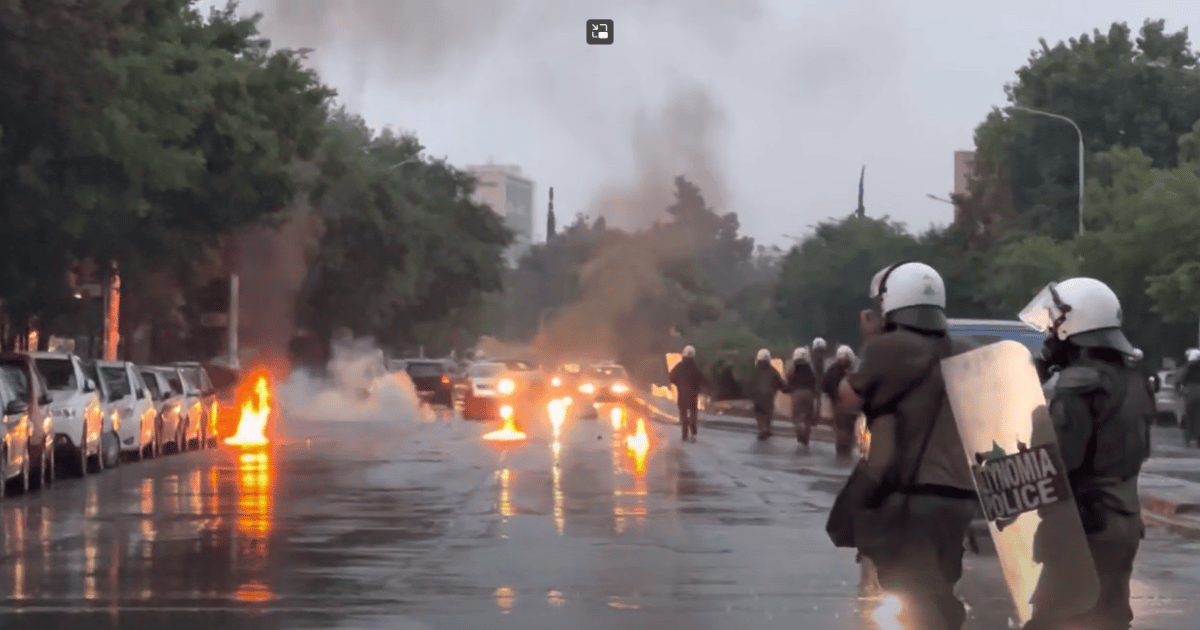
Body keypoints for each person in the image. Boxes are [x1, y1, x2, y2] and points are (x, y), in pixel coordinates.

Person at [833, 261, 979, 630]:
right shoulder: (966, 350)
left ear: (890, 303)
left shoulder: (889, 348)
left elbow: (848, 399)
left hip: (913, 497)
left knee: (913, 595)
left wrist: (871, 340)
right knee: (938, 585)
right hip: (960, 498)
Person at [1019, 277, 1153, 630]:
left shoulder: (1077, 384)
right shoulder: (1131, 378)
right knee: (1108, 618)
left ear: (1074, 324)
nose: (1048, 336)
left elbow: (1060, 460)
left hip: (1084, 524)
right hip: (1121, 517)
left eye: (1054, 326)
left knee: (1055, 620)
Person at [823, 345, 859, 460]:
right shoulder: (852, 371)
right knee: (846, 428)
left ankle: (842, 451)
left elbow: (825, 386)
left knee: (841, 428)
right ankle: (844, 452)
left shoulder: (833, 370)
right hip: (847, 405)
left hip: (839, 403)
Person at [670, 345, 706, 442]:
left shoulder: (679, 366)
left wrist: (678, 384)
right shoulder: (696, 368)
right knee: (693, 413)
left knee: (683, 414)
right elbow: (703, 379)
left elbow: (671, 377)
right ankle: (693, 431)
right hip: (693, 395)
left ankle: (684, 433)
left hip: (682, 394)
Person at [750, 348, 786, 440]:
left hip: (757, 396)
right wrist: (785, 388)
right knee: (768, 413)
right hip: (769, 395)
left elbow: (749, 383)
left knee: (758, 413)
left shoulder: (754, 371)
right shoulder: (773, 370)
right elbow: (780, 383)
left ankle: (762, 428)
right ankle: (767, 429)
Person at [788, 347, 818, 446]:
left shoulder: (793, 369)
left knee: (796, 418)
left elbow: (788, 379)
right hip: (809, 393)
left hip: (797, 393)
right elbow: (815, 382)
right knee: (807, 419)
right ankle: (806, 438)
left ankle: (800, 435)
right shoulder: (811, 369)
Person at [1180, 348, 1200, 448]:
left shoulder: (1187, 367)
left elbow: (1179, 379)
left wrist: (1179, 391)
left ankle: (1188, 439)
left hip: (1189, 393)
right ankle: (1198, 440)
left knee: (1188, 416)